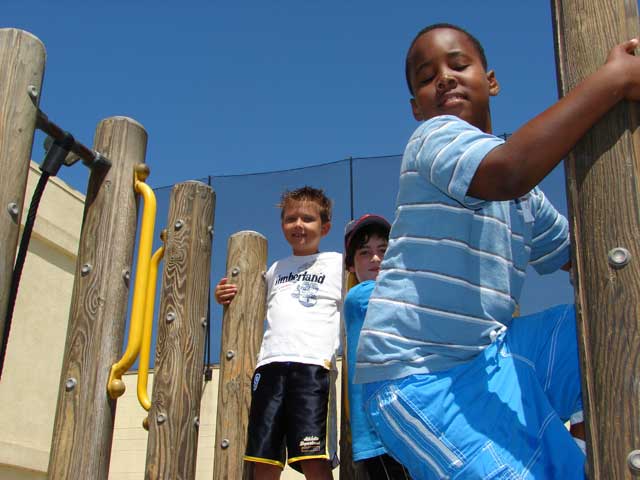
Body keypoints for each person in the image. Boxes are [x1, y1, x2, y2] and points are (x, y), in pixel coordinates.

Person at [355, 23, 640, 479]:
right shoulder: (434, 139)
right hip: (421, 380)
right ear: (416, 109)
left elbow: (584, 257)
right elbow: (508, 172)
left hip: (497, 358)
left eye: (458, 65)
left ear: (491, 81)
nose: (444, 78)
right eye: (427, 77)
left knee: (617, 318)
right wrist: (614, 80)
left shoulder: (527, 201)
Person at [215, 186, 342, 480]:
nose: (298, 225)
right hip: (269, 366)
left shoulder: (336, 263)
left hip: (313, 366)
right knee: (264, 457)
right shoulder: (274, 269)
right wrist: (223, 293)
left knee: (313, 455)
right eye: (291, 218)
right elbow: (249, 302)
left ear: (325, 227)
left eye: (308, 219)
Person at [343, 214, 412, 479]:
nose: (375, 258)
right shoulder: (360, 295)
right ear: (351, 266)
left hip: (408, 422)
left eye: (384, 250)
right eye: (364, 252)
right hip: (381, 432)